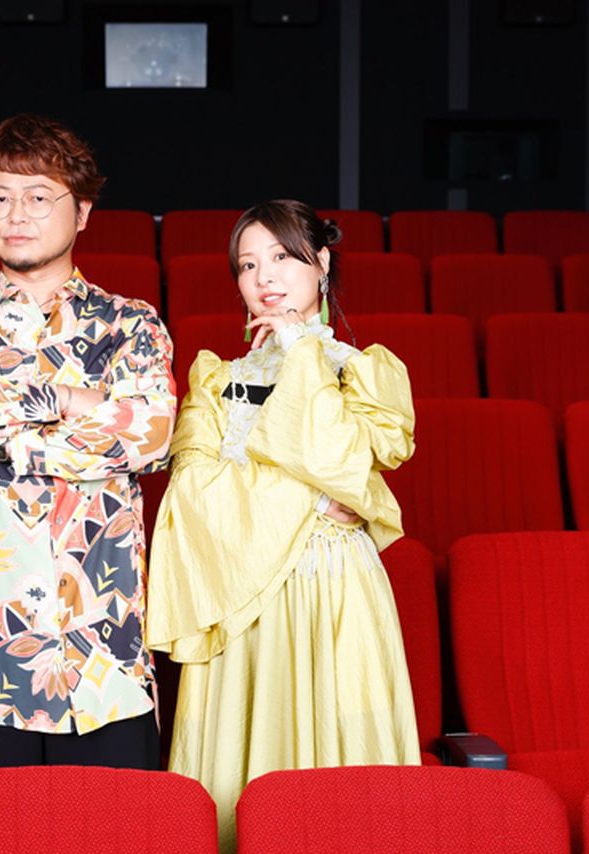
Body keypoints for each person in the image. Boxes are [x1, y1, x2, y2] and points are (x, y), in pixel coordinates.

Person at [0, 113, 175, 773]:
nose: (16, 214)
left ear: (83, 213)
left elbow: (151, 434)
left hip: (102, 650)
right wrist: (73, 406)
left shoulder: (131, 326)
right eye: (0, 197)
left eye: (38, 196)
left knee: (117, 826)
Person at [147, 199, 420, 850]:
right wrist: (312, 500)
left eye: (281, 257)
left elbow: (339, 460)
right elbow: (191, 499)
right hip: (241, 599)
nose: (263, 276)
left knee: (346, 785)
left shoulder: (368, 371)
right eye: (247, 265)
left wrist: (302, 352)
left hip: (337, 594)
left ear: (320, 263)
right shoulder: (215, 382)